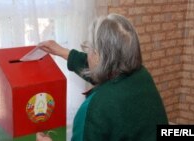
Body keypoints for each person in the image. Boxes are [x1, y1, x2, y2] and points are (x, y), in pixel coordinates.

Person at [36, 13, 168, 141]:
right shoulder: (142, 75)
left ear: (99, 57)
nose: (87, 54)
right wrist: (63, 52)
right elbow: (105, 69)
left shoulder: (95, 108)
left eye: (89, 49)